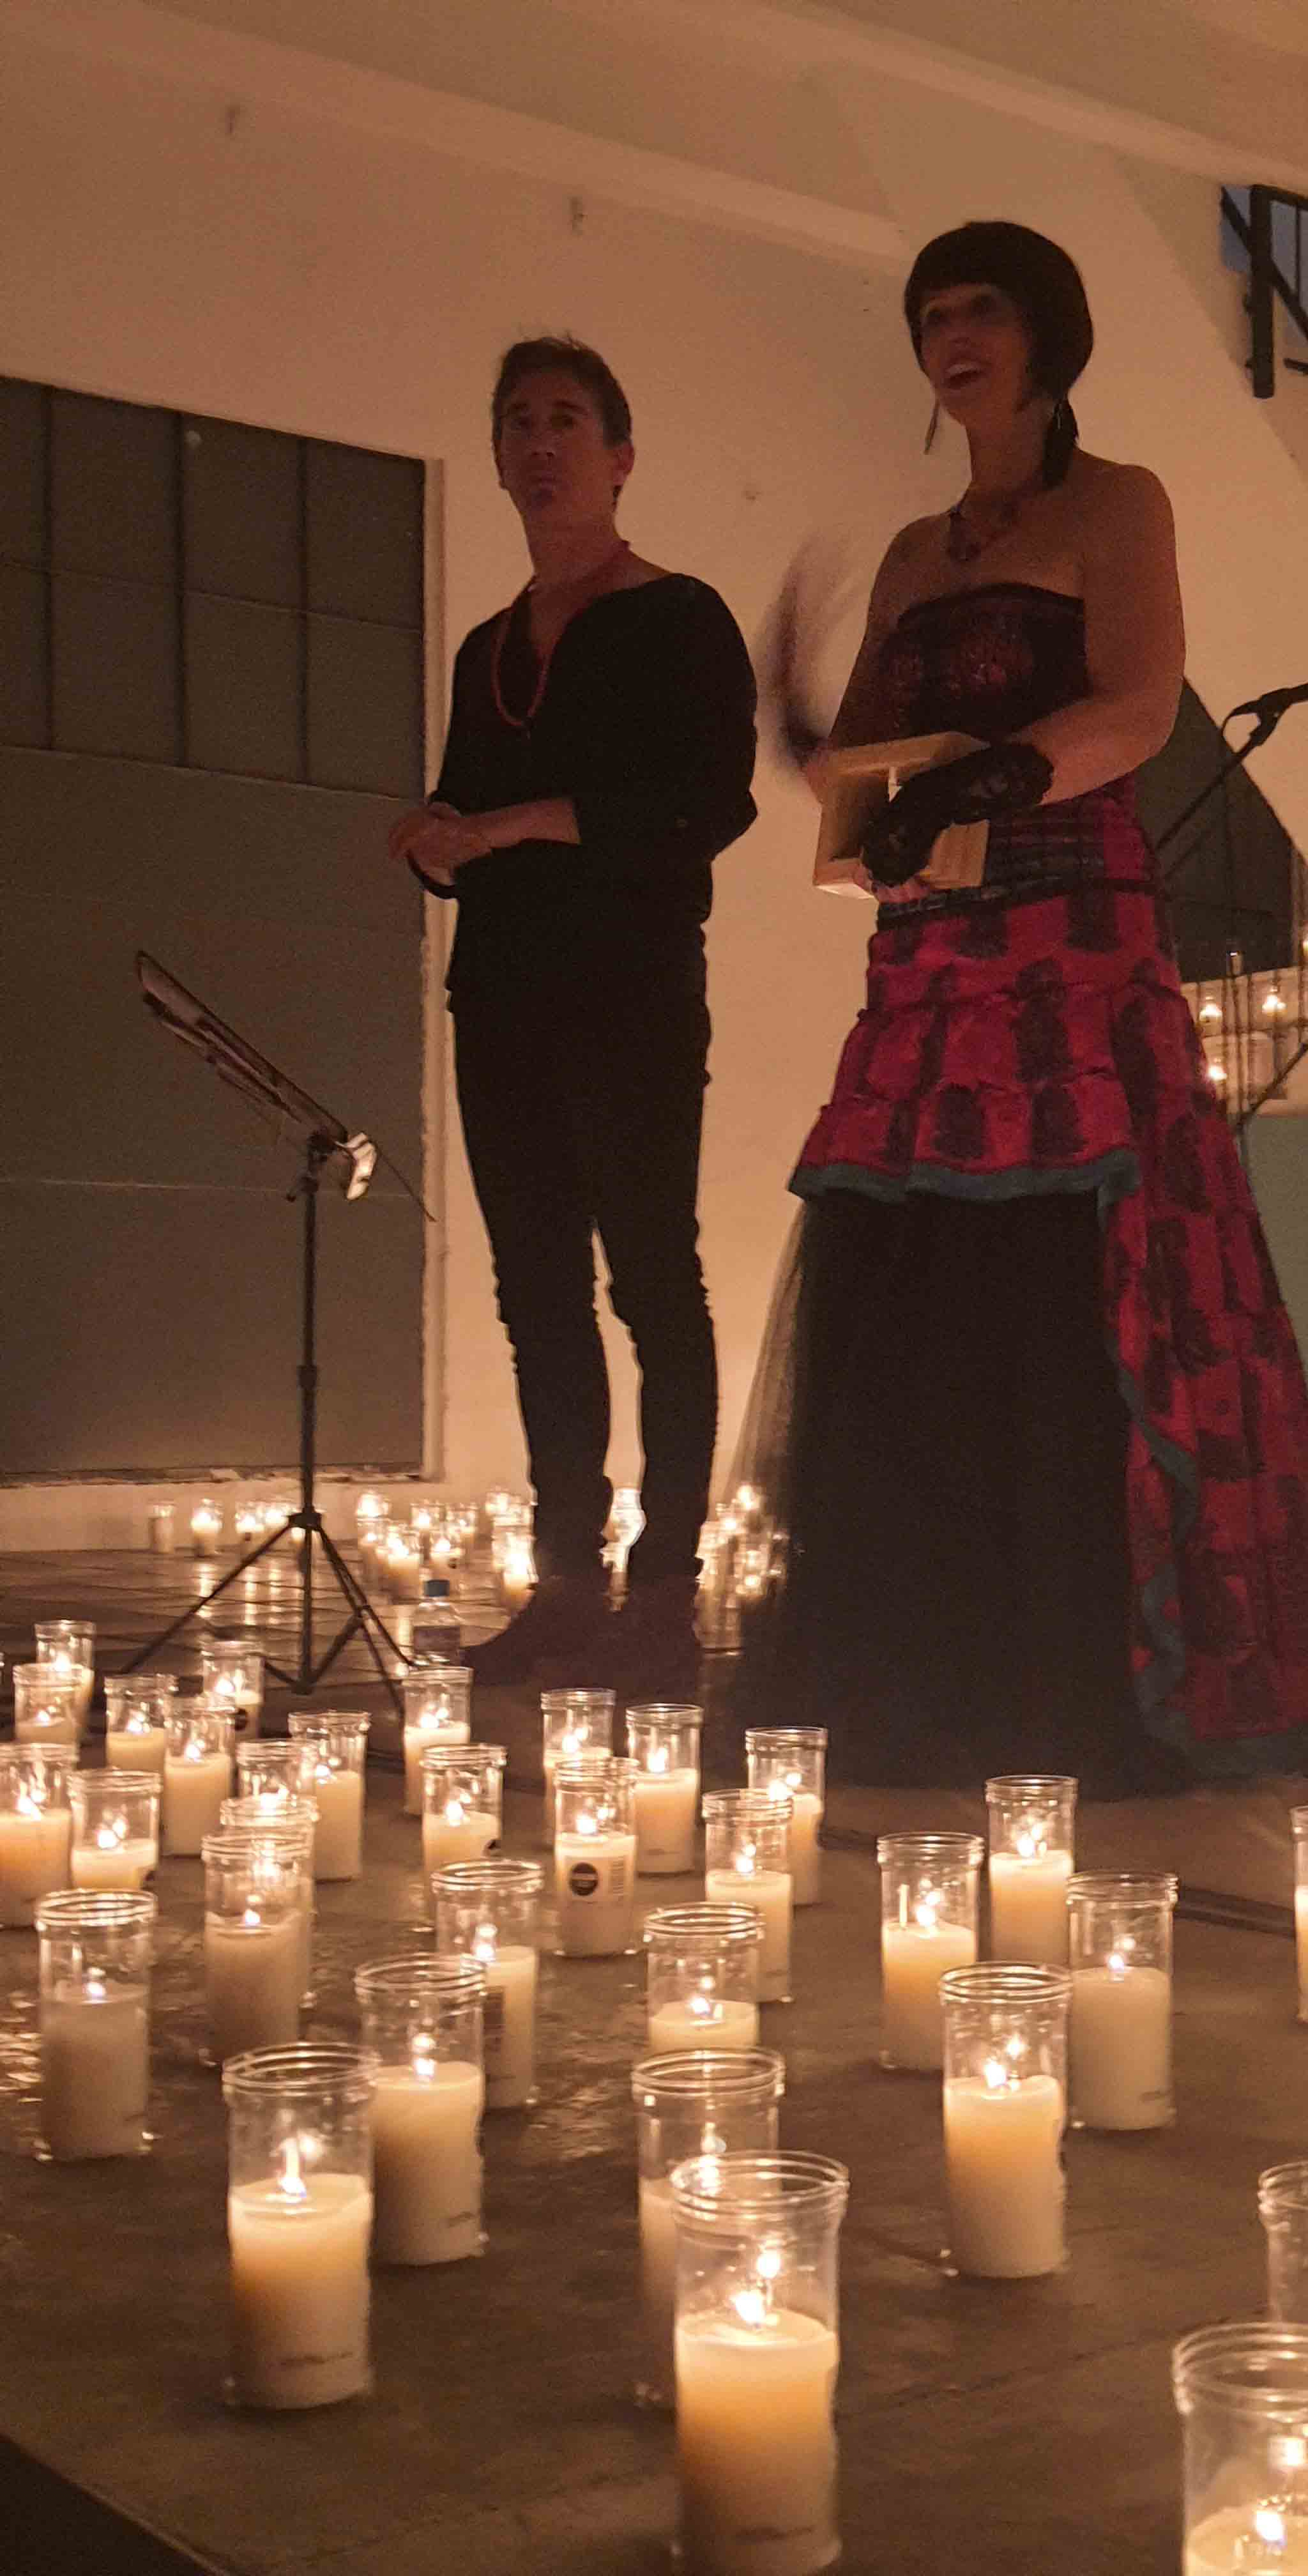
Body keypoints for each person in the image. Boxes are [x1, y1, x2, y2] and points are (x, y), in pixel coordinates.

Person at [741, 222, 1308, 1795]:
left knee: (1074, 1283)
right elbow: (872, 780)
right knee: (913, 1287)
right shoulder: (915, 553)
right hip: (928, 962)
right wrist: (808, 748)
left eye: (981, 310)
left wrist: (994, 776)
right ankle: (927, 1660)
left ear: (1047, 336)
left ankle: (1085, 1667)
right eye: (930, 317)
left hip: (1073, 942)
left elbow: (1141, 706)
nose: (951, 337)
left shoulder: (1118, 503)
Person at [390, 337, 756, 1690]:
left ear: (620, 456)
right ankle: (565, 1581)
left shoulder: (681, 617)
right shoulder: (487, 647)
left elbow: (707, 807)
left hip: (631, 994)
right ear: (497, 458)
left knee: (653, 1281)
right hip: (500, 995)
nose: (538, 442)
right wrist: (438, 838)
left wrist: (513, 826)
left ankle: (663, 1587)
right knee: (534, 1292)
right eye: (517, 422)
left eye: (565, 419)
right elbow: (465, 806)